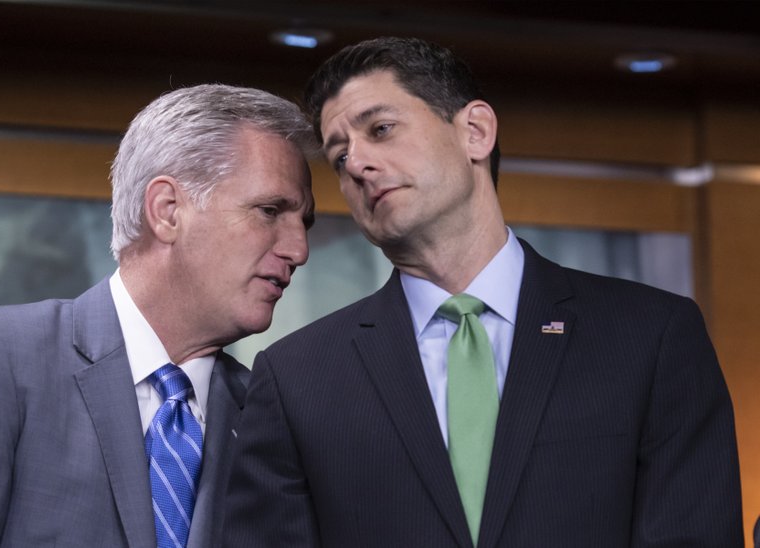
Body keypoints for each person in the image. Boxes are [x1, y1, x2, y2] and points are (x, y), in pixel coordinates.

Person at [224, 37, 743, 547]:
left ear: (475, 131)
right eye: (339, 158)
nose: (357, 164)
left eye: (380, 129)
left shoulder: (650, 336)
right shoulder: (298, 378)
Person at [0, 83, 315, 547]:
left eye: (303, 223)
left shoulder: (271, 416)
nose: (299, 250)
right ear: (167, 210)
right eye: (270, 211)